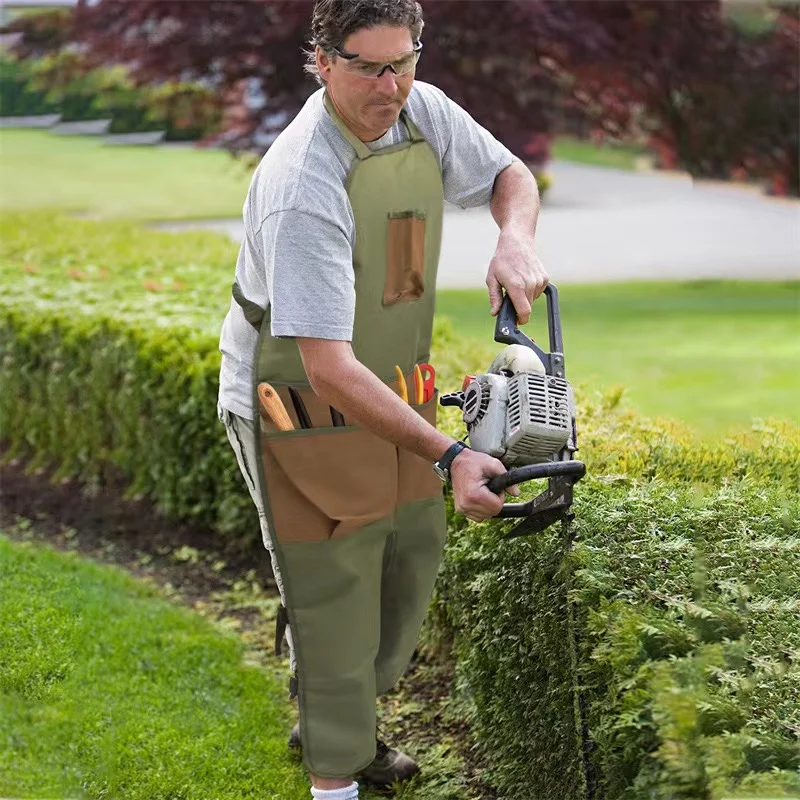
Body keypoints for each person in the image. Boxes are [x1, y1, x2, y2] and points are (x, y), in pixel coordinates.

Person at [217, 1, 548, 797]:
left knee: (404, 566)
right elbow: (325, 367)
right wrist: (454, 455)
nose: (390, 85)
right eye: (368, 67)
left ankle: (338, 701)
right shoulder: (304, 182)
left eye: (403, 61)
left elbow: (510, 175)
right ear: (322, 62)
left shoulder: (418, 107)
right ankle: (339, 750)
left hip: (391, 380)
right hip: (292, 394)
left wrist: (515, 236)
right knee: (335, 578)